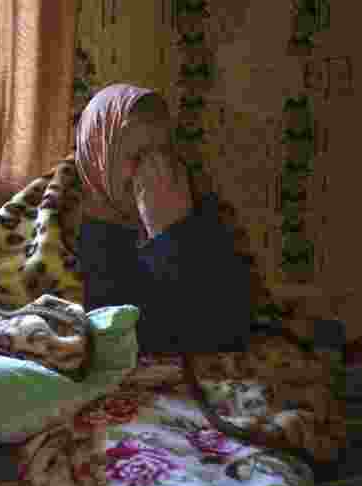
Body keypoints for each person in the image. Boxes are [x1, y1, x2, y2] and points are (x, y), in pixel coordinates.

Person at [75, 83, 251, 354]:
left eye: (164, 152)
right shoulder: (75, 230)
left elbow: (232, 325)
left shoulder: (195, 203)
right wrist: (168, 239)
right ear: (100, 158)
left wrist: (175, 230)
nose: (154, 168)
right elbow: (129, 338)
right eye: (137, 156)